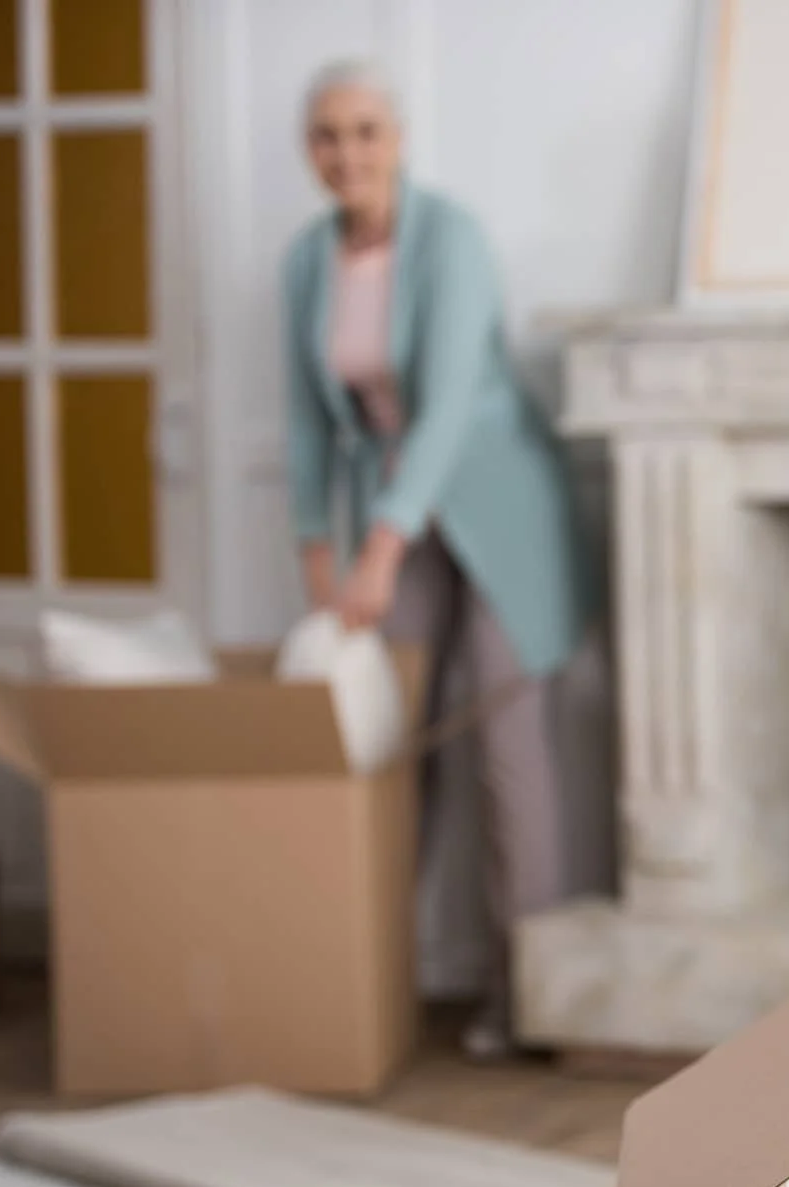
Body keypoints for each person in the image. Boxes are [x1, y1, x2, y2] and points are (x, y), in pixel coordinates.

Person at [282, 60, 598, 1058]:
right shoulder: (303, 262)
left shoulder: (451, 240)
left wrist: (379, 543)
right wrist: (316, 550)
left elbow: (453, 401)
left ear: (399, 140)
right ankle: (368, 980)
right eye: (328, 135)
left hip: (496, 501)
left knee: (507, 752)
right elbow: (304, 422)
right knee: (384, 739)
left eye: (366, 131)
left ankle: (529, 1002)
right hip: (394, 510)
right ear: (310, 151)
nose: (348, 154)